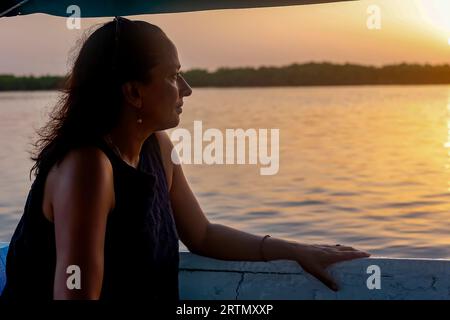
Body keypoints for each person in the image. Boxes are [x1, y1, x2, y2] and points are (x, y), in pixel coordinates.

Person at [0, 17, 369, 301]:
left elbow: (202, 234)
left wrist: (292, 249)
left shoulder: (156, 147)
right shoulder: (88, 168)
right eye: (173, 76)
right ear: (132, 92)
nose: (187, 89)